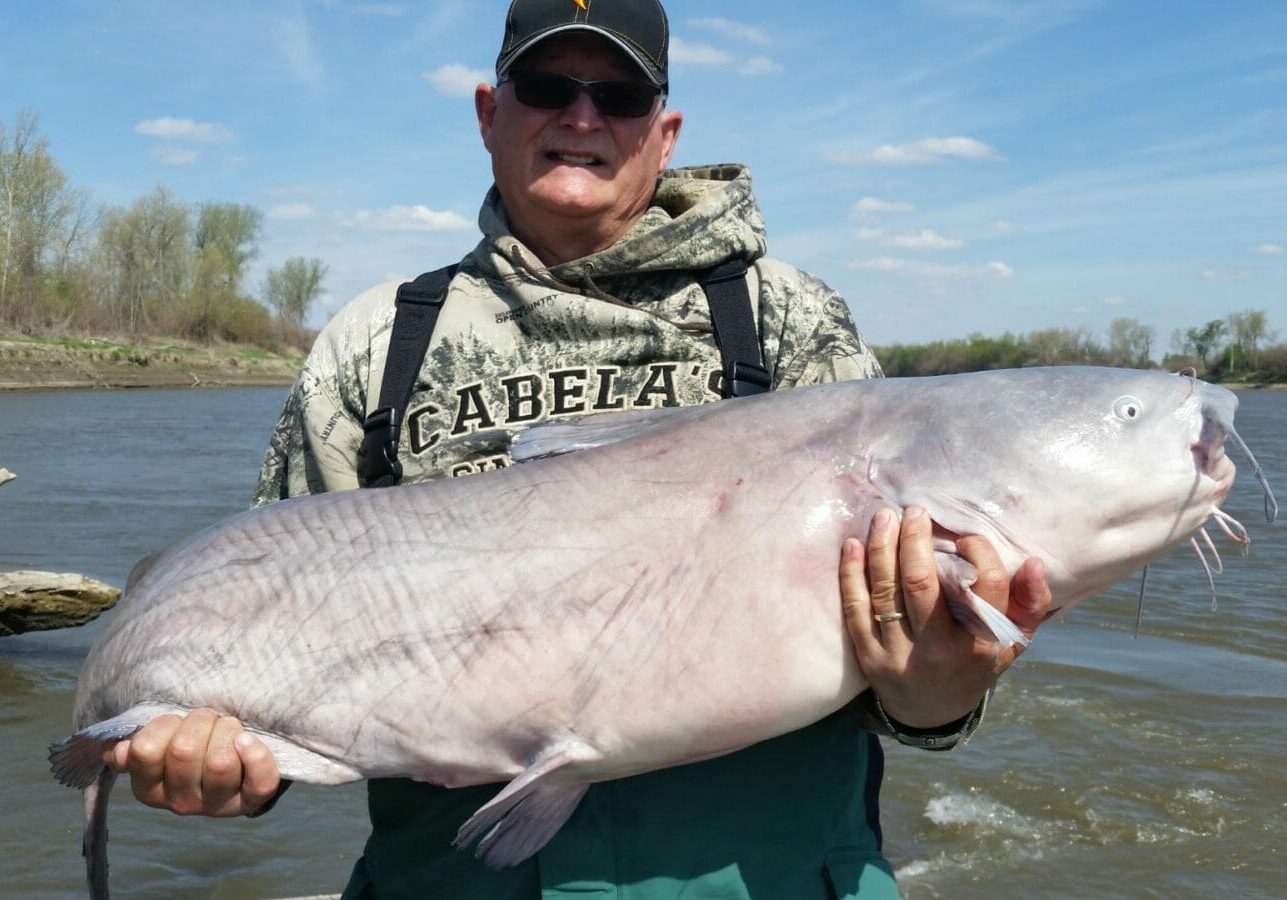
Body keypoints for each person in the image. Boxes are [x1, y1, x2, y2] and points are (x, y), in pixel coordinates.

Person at [105, 1, 1051, 896]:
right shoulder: (378, 341)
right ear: (490, 112)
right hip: (455, 881)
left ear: (664, 133)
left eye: (620, 95)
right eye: (548, 86)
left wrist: (937, 693)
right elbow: (265, 626)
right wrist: (226, 764)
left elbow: (899, 662)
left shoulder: (788, 321)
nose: (582, 117)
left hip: (759, 877)